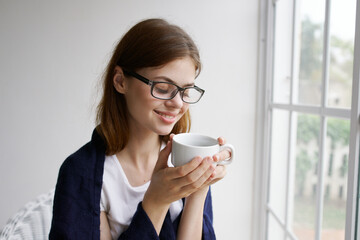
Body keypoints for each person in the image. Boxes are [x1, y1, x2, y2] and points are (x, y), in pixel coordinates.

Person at [49, 18, 230, 240]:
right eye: (163, 88)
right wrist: (155, 201)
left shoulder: (186, 158)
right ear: (120, 81)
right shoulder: (81, 173)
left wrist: (199, 190)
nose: (178, 104)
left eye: (186, 91)